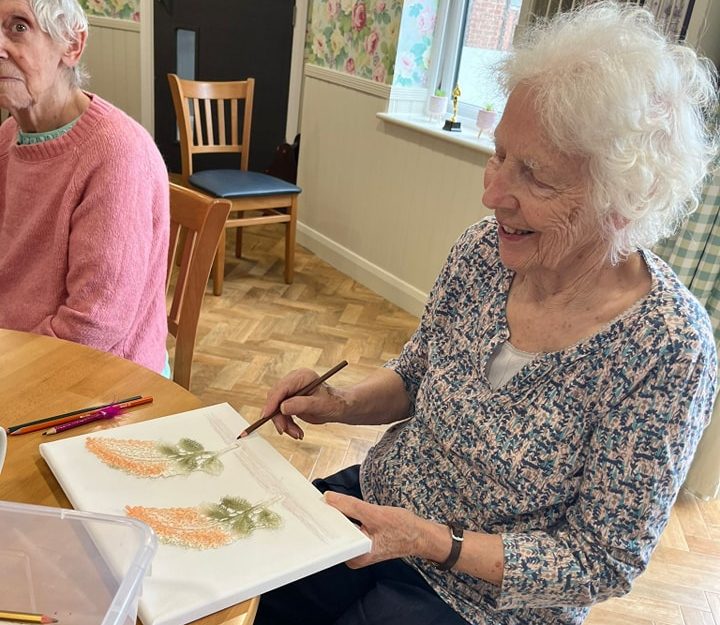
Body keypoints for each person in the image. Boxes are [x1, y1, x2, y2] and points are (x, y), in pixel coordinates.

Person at [254, 3, 718, 625]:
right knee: (255, 574)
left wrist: (429, 541)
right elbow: (418, 376)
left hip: (480, 600)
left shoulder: (668, 347)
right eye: (499, 154)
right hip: (384, 503)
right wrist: (338, 404)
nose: (492, 193)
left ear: (622, 200)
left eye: (534, 175)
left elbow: (604, 559)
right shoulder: (484, 251)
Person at [0, 0, 169, 374]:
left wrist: (8, 362)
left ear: (71, 46)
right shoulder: (10, 135)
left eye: (19, 28)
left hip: (99, 379)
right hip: (18, 354)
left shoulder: (117, 154)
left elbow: (94, 325)